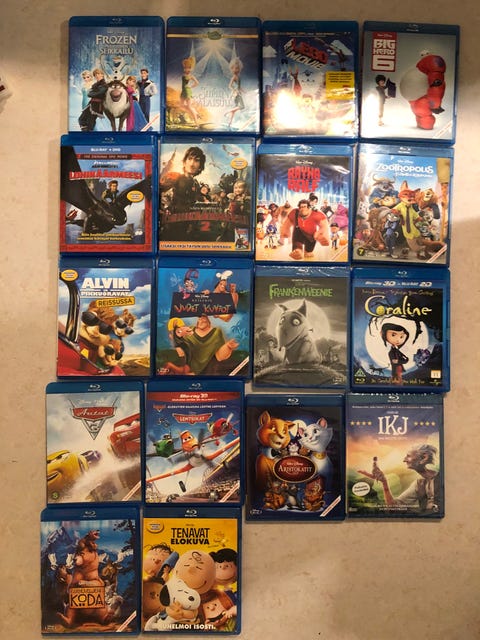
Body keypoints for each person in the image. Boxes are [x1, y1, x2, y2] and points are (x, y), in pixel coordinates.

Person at [358, 444, 441, 513]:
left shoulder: (441, 478)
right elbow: (393, 507)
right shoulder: (419, 484)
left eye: (408, 456)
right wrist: (384, 482)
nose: (404, 460)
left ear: (424, 457)